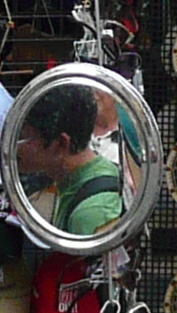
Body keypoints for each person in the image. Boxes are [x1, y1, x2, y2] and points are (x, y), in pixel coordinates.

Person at [8, 82, 126, 240]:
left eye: (23, 137)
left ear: (62, 143)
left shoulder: (89, 214)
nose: (14, 146)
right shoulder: (74, 181)